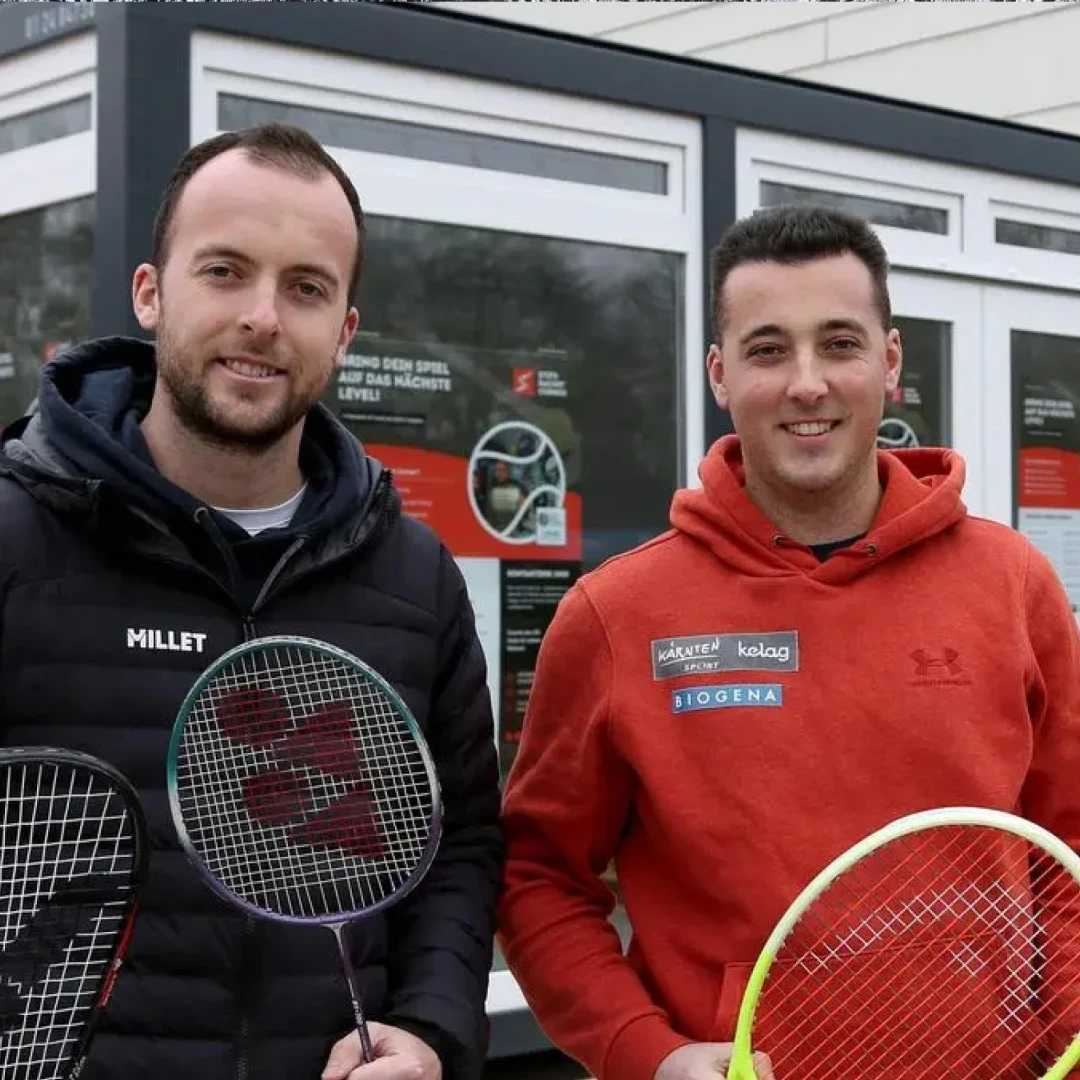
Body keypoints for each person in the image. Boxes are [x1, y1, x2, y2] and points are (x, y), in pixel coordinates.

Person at [496, 204, 1080, 1080]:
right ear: (720, 374)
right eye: (769, 350)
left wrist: (1064, 1045)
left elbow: (1068, 859)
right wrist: (646, 1055)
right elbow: (536, 878)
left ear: (889, 364)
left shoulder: (1012, 584)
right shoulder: (617, 617)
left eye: (839, 344)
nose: (807, 382)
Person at [0, 122, 502, 1080]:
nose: (263, 318)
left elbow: (461, 841)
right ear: (151, 293)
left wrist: (432, 1028)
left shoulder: (414, 575)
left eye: (306, 287)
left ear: (345, 331)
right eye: (224, 271)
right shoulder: (16, 539)